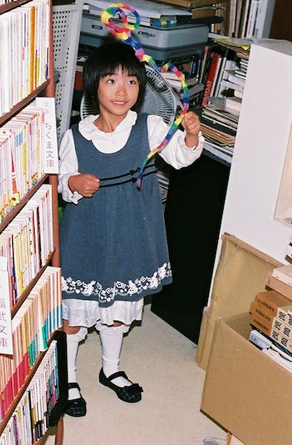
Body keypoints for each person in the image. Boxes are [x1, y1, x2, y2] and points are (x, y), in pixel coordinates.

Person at [58, 42, 203, 417]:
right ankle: (68, 377)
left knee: (119, 309)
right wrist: (73, 182)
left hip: (130, 235)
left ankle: (110, 368)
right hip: (86, 236)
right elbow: (60, 179)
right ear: (94, 86)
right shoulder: (75, 136)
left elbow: (181, 156)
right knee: (74, 312)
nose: (122, 91)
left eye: (131, 82)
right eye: (111, 81)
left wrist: (190, 135)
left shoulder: (150, 128)